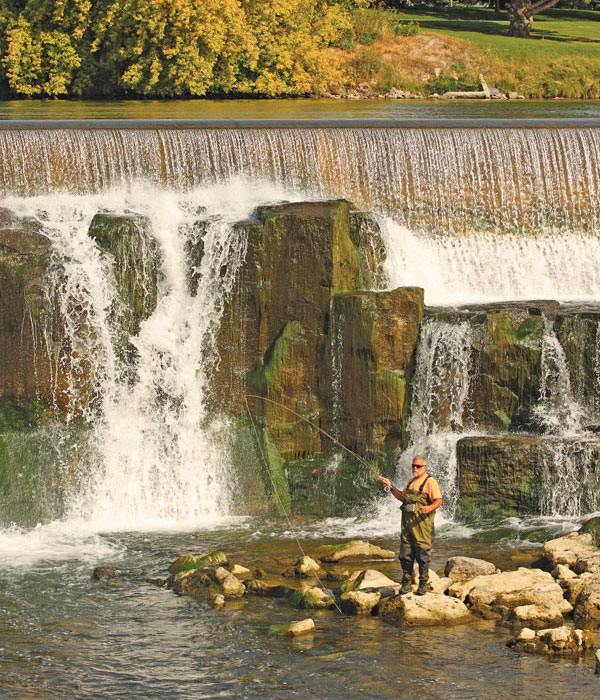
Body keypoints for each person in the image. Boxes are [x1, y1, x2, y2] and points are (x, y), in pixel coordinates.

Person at [379, 455, 443, 596]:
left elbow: (438, 500)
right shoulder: (411, 482)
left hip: (422, 525)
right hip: (407, 525)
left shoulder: (429, 482)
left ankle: (422, 584)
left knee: (422, 555)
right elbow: (402, 498)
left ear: (424, 467)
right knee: (405, 554)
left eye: (418, 466)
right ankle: (406, 583)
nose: (415, 468)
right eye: (413, 466)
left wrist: (429, 508)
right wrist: (390, 486)